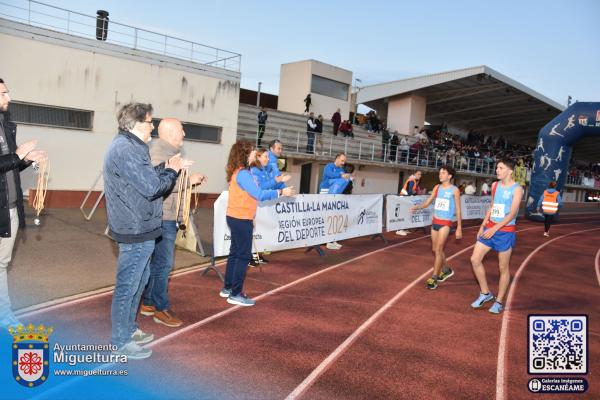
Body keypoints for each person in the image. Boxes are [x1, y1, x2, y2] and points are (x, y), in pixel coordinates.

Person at [104, 103, 185, 359]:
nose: (153, 126)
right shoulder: (126, 149)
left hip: (142, 226)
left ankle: (129, 328)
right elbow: (151, 188)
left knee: (138, 282)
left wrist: (166, 167)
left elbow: (143, 178)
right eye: (151, 121)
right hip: (135, 227)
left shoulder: (132, 147)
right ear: (138, 124)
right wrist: (172, 170)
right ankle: (120, 339)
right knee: (129, 285)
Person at [139, 118, 205, 328]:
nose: (184, 134)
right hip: (162, 217)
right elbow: (159, 183)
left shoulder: (166, 151)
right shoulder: (159, 152)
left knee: (157, 263)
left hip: (165, 215)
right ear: (168, 132)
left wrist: (188, 180)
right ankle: (161, 308)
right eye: (181, 130)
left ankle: (149, 303)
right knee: (164, 264)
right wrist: (188, 180)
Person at [220, 141, 295, 306]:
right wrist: (282, 191)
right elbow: (259, 194)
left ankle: (228, 288)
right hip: (240, 218)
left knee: (234, 253)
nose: (255, 152)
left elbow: (248, 196)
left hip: (236, 216)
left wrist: (251, 215)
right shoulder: (244, 174)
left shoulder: (238, 171)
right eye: (253, 150)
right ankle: (236, 293)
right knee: (243, 256)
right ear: (246, 153)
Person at [0, 78, 47, 329]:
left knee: (1, 265)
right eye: (3, 94)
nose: (9, 98)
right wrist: (18, 154)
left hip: (9, 210)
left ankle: (4, 315)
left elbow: (9, 165)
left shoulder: (6, 126)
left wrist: (27, 159)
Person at [470, 159, 523, 315]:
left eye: (501, 168)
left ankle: (499, 301)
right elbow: (492, 206)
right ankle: (485, 293)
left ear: (510, 171)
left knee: (503, 268)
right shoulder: (494, 185)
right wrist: (483, 225)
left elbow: (513, 213)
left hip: (505, 232)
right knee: (474, 259)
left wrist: (495, 228)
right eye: (497, 168)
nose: (497, 170)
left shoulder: (517, 189)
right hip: (490, 228)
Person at [410, 166, 462, 289]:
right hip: (435, 221)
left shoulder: (454, 190)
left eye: (443, 173)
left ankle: (434, 278)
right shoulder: (437, 188)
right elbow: (428, 202)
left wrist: (459, 227)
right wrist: (417, 207)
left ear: (449, 176)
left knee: (438, 250)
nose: (440, 175)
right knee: (435, 250)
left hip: (446, 223)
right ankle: (447, 269)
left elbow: (459, 210)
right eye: (440, 173)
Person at [249, 147, 291, 266]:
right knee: (253, 230)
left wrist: (281, 185)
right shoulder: (254, 170)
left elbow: (269, 186)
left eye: (268, 156)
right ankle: (250, 256)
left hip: (265, 204)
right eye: (265, 156)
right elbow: (261, 188)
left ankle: (258, 254)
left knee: (261, 229)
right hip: (256, 204)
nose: (268, 158)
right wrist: (276, 181)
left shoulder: (265, 170)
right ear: (258, 157)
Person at [319, 153, 351, 250]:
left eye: (344, 161)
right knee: (325, 217)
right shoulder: (329, 166)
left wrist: (347, 177)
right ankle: (326, 241)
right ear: (337, 159)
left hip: (334, 194)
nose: (343, 163)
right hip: (325, 192)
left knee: (333, 217)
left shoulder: (341, 170)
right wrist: (341, 175)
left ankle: (332, 239)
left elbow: (343, 180)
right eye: (342, 160)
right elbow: (329, 175)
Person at [396, 171, 422, 236]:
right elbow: (410, 191)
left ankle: (403, 228)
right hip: (404, 198)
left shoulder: (414, 180)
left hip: (406, 198)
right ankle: (399, 230)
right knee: (403, 214)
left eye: (420, 174)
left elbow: (411, 191)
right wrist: (415, 194)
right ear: (414, 174)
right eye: (418, 174)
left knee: (407, 213)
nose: (420, 175)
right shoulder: (412, 180)